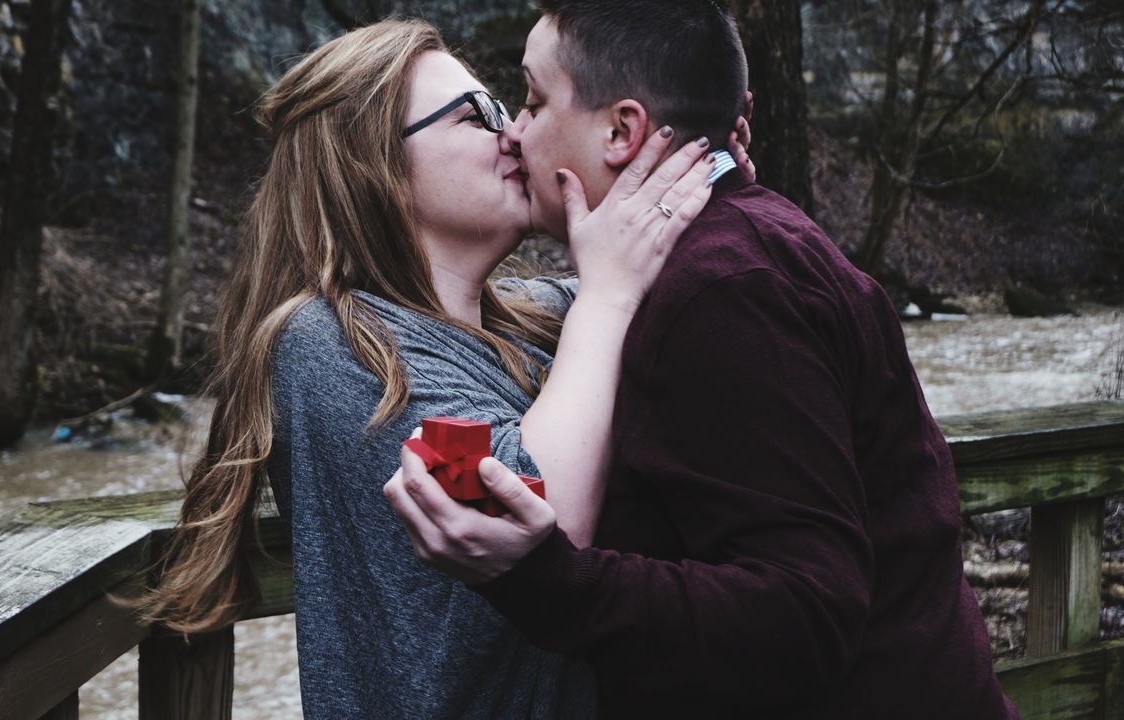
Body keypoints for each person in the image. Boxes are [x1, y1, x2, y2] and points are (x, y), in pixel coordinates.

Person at [385, 2, 1019, 718]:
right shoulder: (735, 250)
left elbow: (806, 617)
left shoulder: (723, 290)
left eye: (531, 100)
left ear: (621, 129)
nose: (516, 131)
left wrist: (548, 579)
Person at [137, 17, 742, 719]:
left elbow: (646, 261)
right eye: (474, 117)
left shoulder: (528, 319)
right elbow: (538, 518)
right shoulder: (330, 341)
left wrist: (693, 181)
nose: (513, 133)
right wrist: (609, 294)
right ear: (374, 164)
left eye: (510, 106)